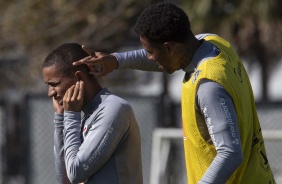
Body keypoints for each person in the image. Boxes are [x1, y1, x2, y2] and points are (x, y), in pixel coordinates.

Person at [73, 2, 276, 184]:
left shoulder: (208, 86)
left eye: (151, 52)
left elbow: (230, 153)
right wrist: (116, 61)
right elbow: (165, 59)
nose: (149, 57)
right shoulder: (213, 43)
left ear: (169, 47)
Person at [42, 43, 143, 184]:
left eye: (54, 84)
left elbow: (76, 173)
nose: (50, 93)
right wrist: (60, 119)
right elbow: (65, 180)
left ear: (78, 78)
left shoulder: (114, 109)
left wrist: (71, 116)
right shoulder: (85, 116)